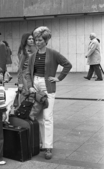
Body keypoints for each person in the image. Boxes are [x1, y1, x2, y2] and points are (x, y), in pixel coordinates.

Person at [26, 26, 72, 160]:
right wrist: (30, 86)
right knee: (39, 117)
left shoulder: (53, 53)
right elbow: (28, 72)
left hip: (48, 87)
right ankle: (42, 143)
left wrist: (59, 78)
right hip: (35, 86)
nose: (37, 42)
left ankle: (48, 147)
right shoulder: (33, 55)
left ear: (46, 41)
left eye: (40, 40)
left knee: (47, 116)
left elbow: (67, 64)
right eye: (36, 40)